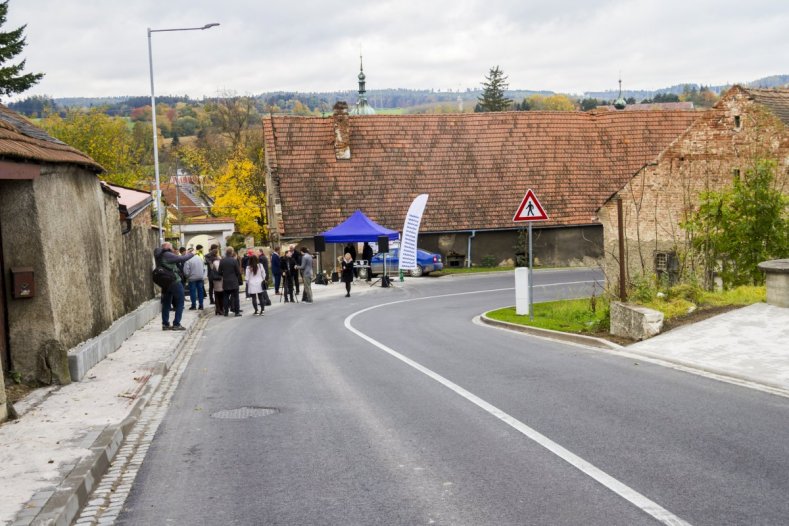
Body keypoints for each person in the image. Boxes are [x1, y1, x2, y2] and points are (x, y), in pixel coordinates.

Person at [153, 241, 194, 330]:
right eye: (171, 247)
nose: (172, 249)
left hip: (165, 282)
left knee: (166, 303)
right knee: (180, 302)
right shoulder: (167, 254)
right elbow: (182, 259)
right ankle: (176, 324)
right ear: (168, 247)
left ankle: (165, 324)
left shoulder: (159, 255)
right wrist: (191, 254)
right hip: (174, 280)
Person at [219, 246, 243, 316]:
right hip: (234, 282)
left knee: (225, 297)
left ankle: (226, 312)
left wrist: (225, 275)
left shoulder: (222, 261)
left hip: (226, 282)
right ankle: (237, 312)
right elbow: (238, 272)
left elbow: (219, 272)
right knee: (236, 297)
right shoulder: (234, 260)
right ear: (231, 252)